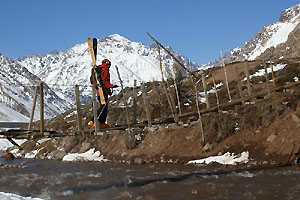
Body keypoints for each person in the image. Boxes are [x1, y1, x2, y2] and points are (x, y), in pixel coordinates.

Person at [88, 59, 118, 128]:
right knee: (103, 107)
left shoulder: (99, 69)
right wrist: (112, 86)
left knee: (103, 106)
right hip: (103, 91)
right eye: (109, 64)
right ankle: (94, 121)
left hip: (100, 92)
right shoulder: (105, 71)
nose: (109, 65)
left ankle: (101, 122)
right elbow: (105, 82)